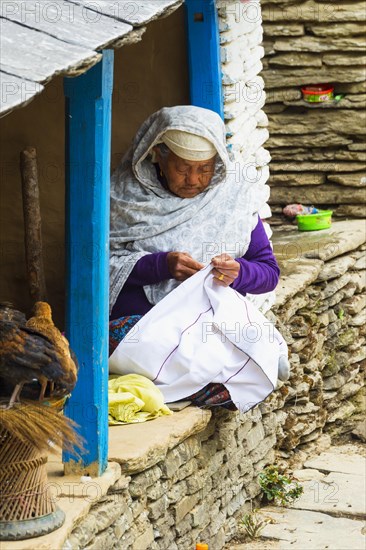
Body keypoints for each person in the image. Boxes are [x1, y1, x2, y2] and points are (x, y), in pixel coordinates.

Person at [109, 105, 287, 410]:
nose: (194, 179)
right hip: (145, 325)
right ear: (159, 157)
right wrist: (160, 265)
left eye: (204, 168)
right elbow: (96, 268)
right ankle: (186, 380)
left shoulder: (232, 198)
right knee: (134, 344)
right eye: (183, 168)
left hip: (208, 326)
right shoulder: (123, 196)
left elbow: (268, 272)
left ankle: (180, 380)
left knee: (227, 359)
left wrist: (238, 273)